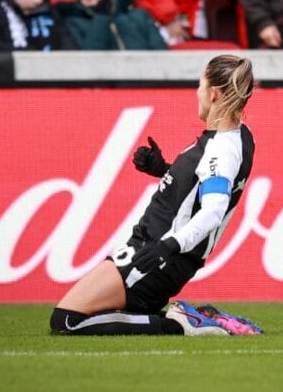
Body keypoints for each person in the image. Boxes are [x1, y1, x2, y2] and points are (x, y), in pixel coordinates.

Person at [50, 55, 258, 336]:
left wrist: (167, 246)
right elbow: (200, 186)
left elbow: (212, 211)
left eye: (200, 84)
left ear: (213, 94)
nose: (196, 92)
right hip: (155, 252)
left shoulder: (220, 149)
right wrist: (164, 170)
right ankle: (196, 318)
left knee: (66, 321)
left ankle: (182, 324)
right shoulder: (240, 136)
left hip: (155, 255)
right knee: (113, 316)